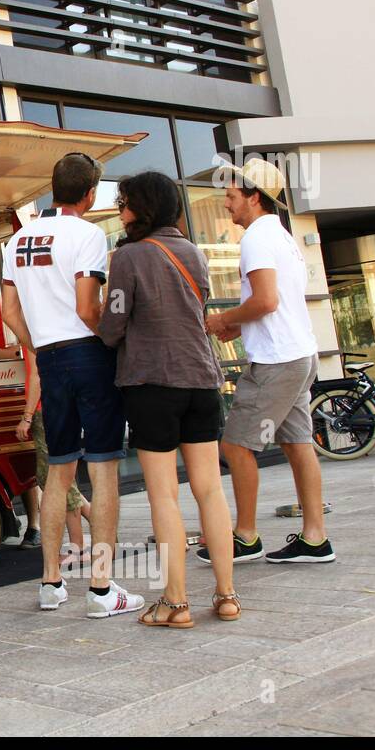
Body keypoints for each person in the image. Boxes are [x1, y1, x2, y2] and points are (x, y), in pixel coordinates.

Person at [1, 152, 144, 618]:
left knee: (58, 473)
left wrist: (36, 345)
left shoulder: (16, 241)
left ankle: (50, 583)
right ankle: (102, 590)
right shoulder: (87, 235)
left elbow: (8, 312)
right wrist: (109, 340)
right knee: (102, 470)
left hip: (49, 357)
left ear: (53, 187)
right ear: (91, 193)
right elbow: (88, 308)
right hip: (87, 353)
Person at [98, 172, 239, 625]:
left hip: (153, 384)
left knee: (164, 496)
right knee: (211, 491)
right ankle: (227, 594)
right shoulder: (194, 253)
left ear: (143, 207)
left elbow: (113, 325)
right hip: (202, 381)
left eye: (124, 202)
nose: (121, 210)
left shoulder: (129, 256)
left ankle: (176, 603)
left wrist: (98, 318)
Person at [204, 158, 336, 564]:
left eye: (231, 196)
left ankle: (245, 537)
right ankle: (315, 538)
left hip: (277, 362)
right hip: (300, 354)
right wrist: (240, 328)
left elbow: (265, 300)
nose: (226, 205)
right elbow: (278, 306)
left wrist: (223, 319)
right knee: (298, 443)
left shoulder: (257, 239)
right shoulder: (282, 237)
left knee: (235, 444)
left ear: (253, 197)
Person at [16, 351, 94, 563]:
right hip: (58, 405)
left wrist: (27, 416)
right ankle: (100, 526)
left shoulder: (33, 329)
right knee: (60, 478)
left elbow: (36, 375)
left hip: (45, 410)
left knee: (56, 479)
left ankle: (78, 548)